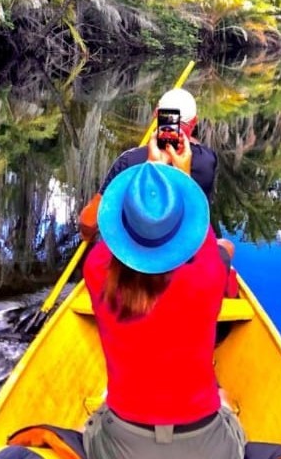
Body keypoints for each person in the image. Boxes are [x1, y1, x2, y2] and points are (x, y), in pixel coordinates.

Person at [82, 160, 247, 459]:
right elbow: (206, 240)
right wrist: (179, 176)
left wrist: (145, 199)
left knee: (98, 418)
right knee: (223, 401)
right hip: (206, 444)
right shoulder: (209, 274)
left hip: (123, 444)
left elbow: (103, 237)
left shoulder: (95, 270)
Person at [78, 88, 218, 242]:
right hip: (185, 243)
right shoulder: (208, 160)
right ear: (194, 122)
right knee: (225, 246)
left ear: (156, 114)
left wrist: (87, 235)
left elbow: (88, 222)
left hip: (139, 249)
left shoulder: (128, 162)